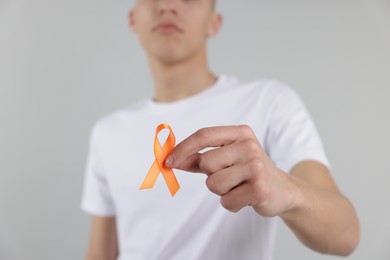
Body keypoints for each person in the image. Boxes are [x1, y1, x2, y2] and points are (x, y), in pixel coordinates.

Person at [80, 0, 360, 259]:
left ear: (213, 23)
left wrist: (285, 190)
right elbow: (100, 253)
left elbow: (346, 233)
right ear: (133, 20)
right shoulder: (108, 131)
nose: (167, 5)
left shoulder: (269, 102)